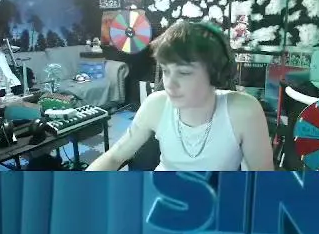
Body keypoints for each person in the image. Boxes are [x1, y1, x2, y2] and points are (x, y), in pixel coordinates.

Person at [86, 20, 274, 171]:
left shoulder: (243, 111)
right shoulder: (155, 105)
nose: (169, 83)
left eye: (183, 73)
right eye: (166, 71)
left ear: (214, 73)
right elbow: (115, 157)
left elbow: (263, 182)